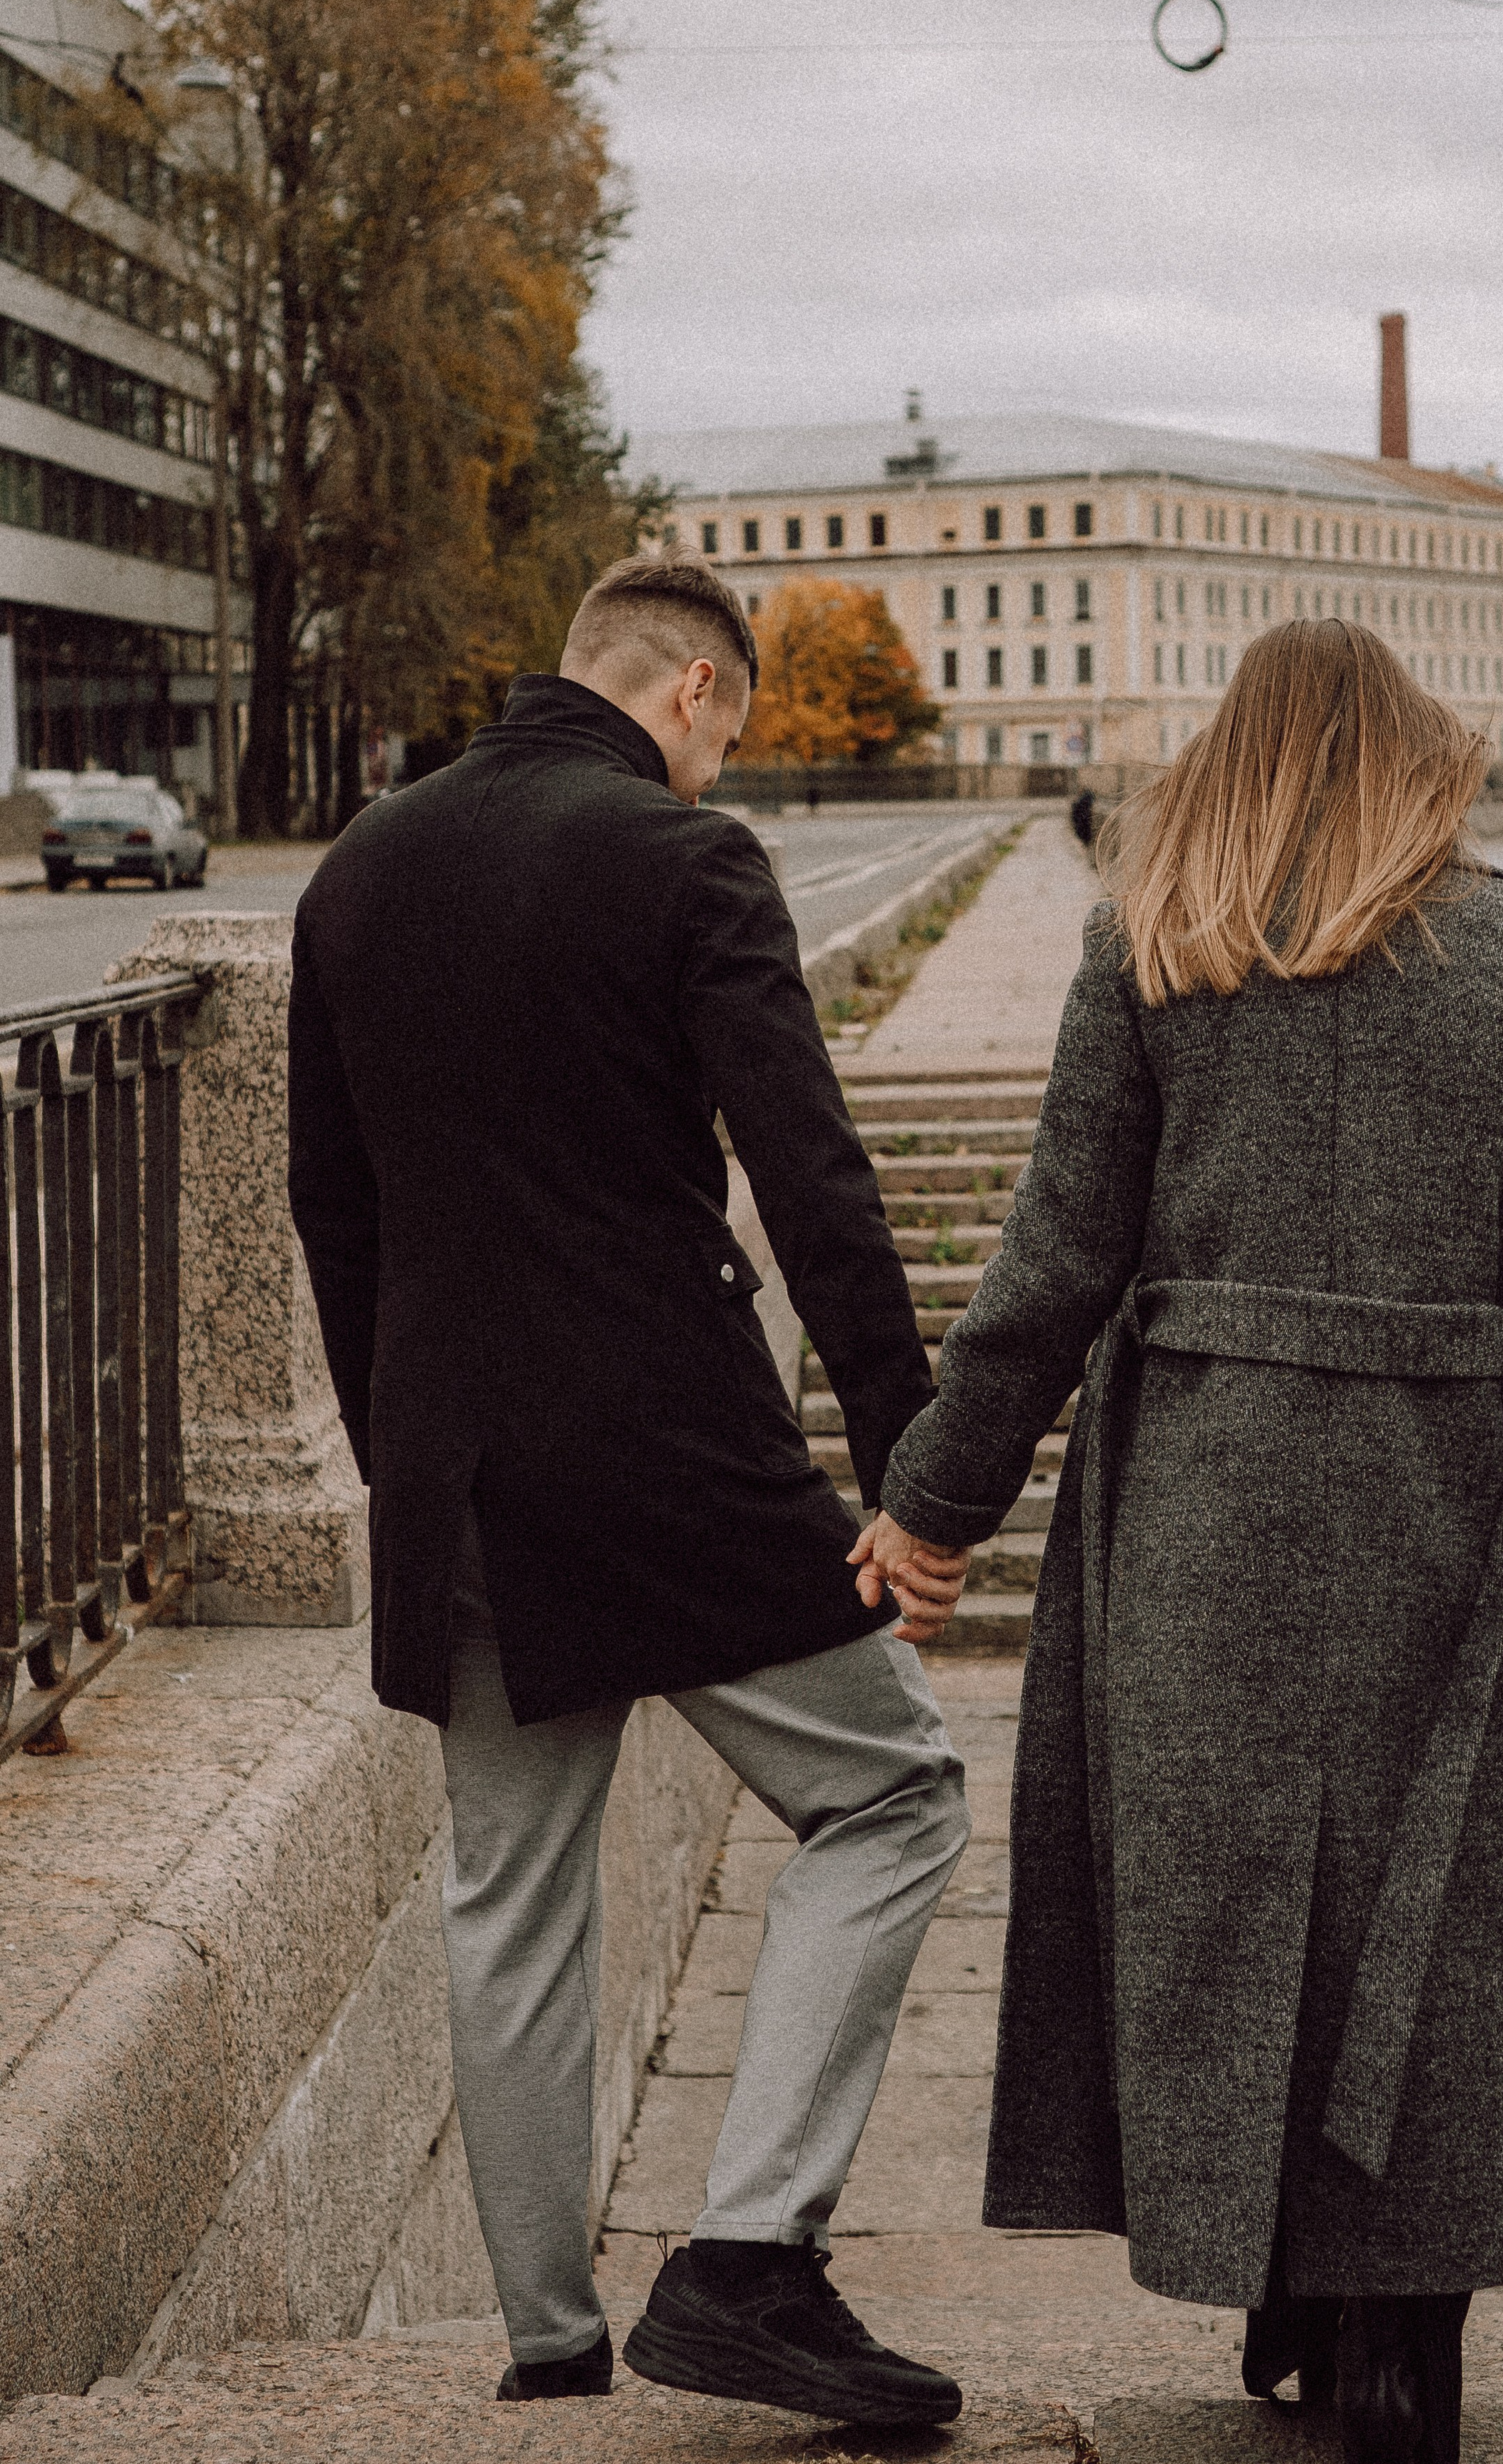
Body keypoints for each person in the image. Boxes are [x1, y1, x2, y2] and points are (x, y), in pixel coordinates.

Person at [861, 621, 1503, 2464]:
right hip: (1436, 1507)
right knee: (1436, 1907)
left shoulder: (1148, 949)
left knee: (1239, 1910)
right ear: (1422, 752)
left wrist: (933, 1504)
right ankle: (1402, 2332)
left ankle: (1286, 2289)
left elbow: (1051, 1267)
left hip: (1205, 1518)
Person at [287, 555, 973, 2424]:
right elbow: (815, 1181)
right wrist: (920, 1469)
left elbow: (333, 1214)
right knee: (898, 1795)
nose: (718, 772)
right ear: (686, 696)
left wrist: (399, 1454)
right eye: (726, 738)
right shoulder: (686, 867)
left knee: (510, 1893)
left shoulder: (359, 873)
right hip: (668, 1453)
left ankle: (549, 2347)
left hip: (461, 1474)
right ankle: (751, 2256)